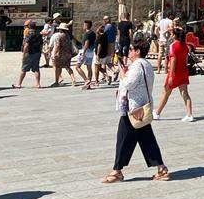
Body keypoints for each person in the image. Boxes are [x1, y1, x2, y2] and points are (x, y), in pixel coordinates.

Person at [101, 38, 170, 184]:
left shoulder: (137, 66)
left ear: (137, 51)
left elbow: (129, 84)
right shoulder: (147, 65)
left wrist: (122, 74)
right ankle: (161, 168)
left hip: (133, 109)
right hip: (141, 108)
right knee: (146, 139)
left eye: (131, 49)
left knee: (123, 139)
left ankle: (117, 171)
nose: (129, 52)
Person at [154, 25, 194, 121]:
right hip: (184, 71)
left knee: (166, 92)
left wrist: (171, 75)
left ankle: (157, 113)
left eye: (172, 34)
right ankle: (189, 114)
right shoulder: (186, 46)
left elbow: (173, 60)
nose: (171, 35)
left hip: (175, 72)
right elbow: (185, 60)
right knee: (185, 93)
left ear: (175, 35)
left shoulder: (173, 45)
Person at [14, 21, 43, 89]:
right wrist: (40, 52)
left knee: (23, 69)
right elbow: (41, 44)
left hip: (29, 53)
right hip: (37, 53)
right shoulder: (39, 35)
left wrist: (24, 54)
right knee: (36, 69)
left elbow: (26, 45)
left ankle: (19, 84)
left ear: (29, 27)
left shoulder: (28, 35)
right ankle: (38, 84)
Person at [76, 20, 96, 88]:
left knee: (77, 67)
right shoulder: (93, 33)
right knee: (89, 68)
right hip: (91, 52)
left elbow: (86, 44)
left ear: (86, 25)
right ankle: (88, 85)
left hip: (86, 51)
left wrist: (83, 53)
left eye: (84, 25)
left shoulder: (87, 34)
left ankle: (86, 80)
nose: (83, 26)